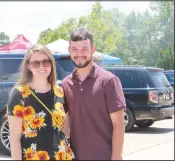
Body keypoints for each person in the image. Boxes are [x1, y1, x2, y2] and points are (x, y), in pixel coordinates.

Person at [62, 28, 126, 160]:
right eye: (75, 49)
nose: (79, 53)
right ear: (69, 50)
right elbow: (66, 123)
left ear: (93, 49)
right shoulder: (65, 84)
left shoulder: (108, 81)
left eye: (84, 48)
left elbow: (118, 125)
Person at [7, 44, 74, 160]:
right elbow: (14, 138)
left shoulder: (60, 92)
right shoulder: (20, 94)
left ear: (51, 63)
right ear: (29, 66)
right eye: (36, 63)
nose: (41, 67)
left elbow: (66, 131)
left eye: (46, 61)